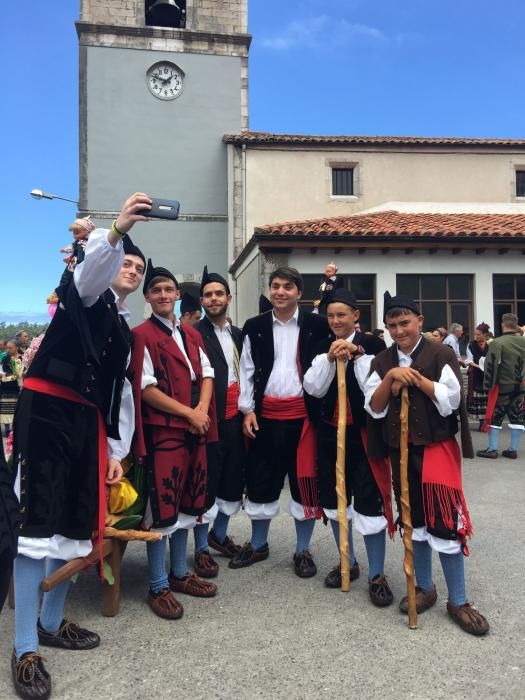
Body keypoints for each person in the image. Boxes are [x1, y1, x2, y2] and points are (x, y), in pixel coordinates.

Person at [10, 192, 150, 700]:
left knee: (75, 526)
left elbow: (119, 396)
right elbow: (91, 275)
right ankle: (25, 646)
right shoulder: (84, 289)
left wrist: (115, 451)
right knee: (37, 525)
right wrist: (115, 232)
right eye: (125, 261)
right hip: (47, 413)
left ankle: (51, 622)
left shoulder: (123, 327)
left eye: (138, 265)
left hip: (86, 423)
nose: (131, 269)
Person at [364, 291, 489, 636]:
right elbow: (373, 407)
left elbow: (450, 400)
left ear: (419, 321)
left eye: (404, 322)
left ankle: (459, 600)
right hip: (399, 452)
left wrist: (418, 380)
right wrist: (391, 379)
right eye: (392, 325)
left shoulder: (441, 353)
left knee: (446, 521)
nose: (399, 330)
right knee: (412, 519)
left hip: (435, 449)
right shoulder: (382, 360)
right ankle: (425, 588)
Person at [129, 259, 218, 620]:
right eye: (156, 290)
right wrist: (188, 413)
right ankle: (158, 584)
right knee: (162, 507)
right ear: (147, 297)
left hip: (194, 429)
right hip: (165, 432)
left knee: (187, 504)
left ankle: (180, 573)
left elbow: (208, 374)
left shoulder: (192, 333)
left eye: (168, 289)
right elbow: (145, 388)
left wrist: (202, 410)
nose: (163, 294)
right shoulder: (141, 335)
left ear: (179, 295)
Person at [230, 267, 331, 575]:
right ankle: (259, 544)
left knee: (305, 484)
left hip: (304, 418)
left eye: (288, 286)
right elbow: (246, 371)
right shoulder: (255, 325)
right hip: (265, 417)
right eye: (275, 286)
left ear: (299, 292)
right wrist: (247, 410)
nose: (280, 292)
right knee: (261, 479)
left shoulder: (318, 325)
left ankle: (302, 551)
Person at [303, 289, 395, 606]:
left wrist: (355, 354)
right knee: (335, 501)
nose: (336, 321)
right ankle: (348, 561)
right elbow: (313, 388)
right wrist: (330, 358)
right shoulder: (320, 346)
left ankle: (377, 574)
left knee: (369, 504)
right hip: (331, 436)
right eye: (331, 315)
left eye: (342, 314)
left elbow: (375, 395)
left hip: (364, 437)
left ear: (356, 316)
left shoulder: (374, 346)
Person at [194, 266, 245, 571]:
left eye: (218, 293)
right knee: (206, 483)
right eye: (208, 295)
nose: (213, 299)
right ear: (202, 301)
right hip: (209, 419)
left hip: (237, 418)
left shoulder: (239, 334)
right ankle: (201, 548)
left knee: (233, 480)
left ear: (228, 297)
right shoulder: (194, 334)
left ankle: (219, 535)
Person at [477, 313, 525, 460]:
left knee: (495, 416)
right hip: (521, 385)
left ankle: (492, 449)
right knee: (517, 416)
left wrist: (488, 385)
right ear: (516, 325)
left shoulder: (498, 343)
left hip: (503, 385)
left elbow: (491, 365)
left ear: (502, 325)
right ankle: (512, 450)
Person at [465, 323, 490, 430]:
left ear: (485, 334)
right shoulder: (471, 345)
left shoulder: (490, 345)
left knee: (487, 399)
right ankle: (481, 422)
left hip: (488, 375)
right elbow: (469, 360)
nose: (476, 337)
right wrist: (479, 366)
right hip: (476, 374)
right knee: (479, 398)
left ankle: (486, 422)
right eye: (476, 335)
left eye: (479, 334)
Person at [0, 340, 22, 437]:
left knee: (15, 408)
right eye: (7, 348)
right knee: (6, 408)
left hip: (16, 387)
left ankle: (15, 429)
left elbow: (18, 374)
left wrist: (5, 377)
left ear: (16, 348)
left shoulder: (21, 358)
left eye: (10, 348)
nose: (8, 350)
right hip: (5, 388)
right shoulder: (5, 358)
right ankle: (8, 430)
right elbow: (4, 371)